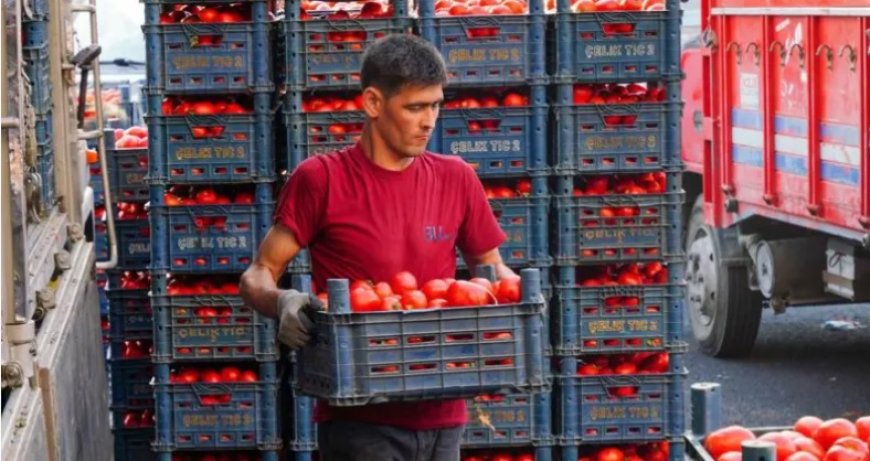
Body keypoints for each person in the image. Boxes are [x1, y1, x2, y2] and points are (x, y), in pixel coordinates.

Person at [240, 34, 516, 461]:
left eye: (435, 106)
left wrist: (518, 298)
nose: (429, 121)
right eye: (415, 107)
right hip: (358, 416)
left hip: (444, 411)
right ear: (372, 102)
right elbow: (258, 273)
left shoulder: (457, 178)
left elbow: (492, 272)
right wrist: (283, 301)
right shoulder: (321, 179)